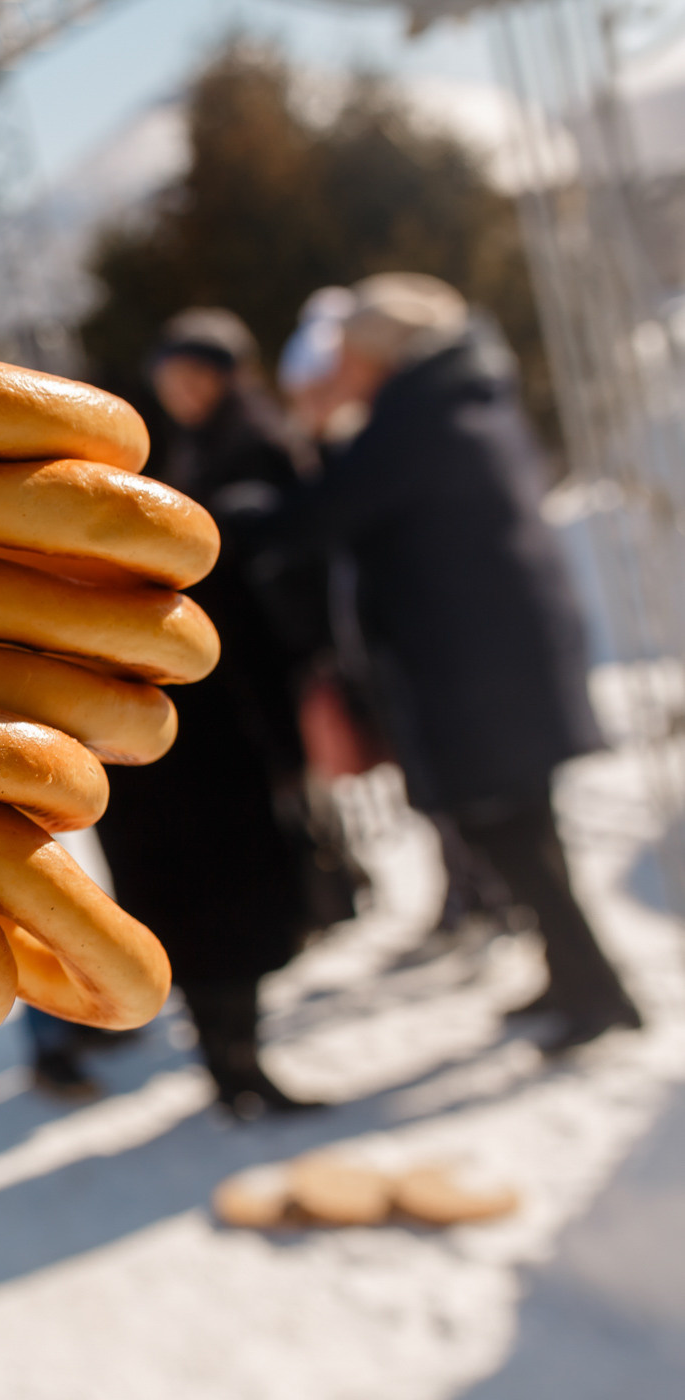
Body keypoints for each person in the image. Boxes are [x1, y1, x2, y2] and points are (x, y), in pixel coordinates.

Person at [279, 273, 641, 1053]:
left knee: (517, 840)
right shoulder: (462, 398)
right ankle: (580, 978)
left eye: (349, 357)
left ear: (380, 355)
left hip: (472, 666)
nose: (341, 372)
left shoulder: (414, 420)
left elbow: (323, 515)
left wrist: (306, 444)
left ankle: (600, 991)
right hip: (498, 656)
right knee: (527, 838)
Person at [69, 309, 329, 1118]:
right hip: (191, 736)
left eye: (193, 372)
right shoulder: (188, 471)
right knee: (218, 907)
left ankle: (232, 1061)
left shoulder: (243, 454)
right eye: (169, 375)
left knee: (216, 907)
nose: (179, 389)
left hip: (200, 733)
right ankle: (231, 1063)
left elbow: (271, 605)